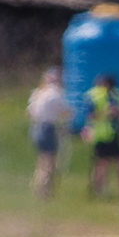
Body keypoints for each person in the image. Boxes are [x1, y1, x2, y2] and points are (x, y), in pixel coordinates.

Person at [83, 72, 119, 199]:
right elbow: (90, 116)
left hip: (116, 134)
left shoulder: (117, 95)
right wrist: (106, 113)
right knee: (102, 164)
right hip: (101, 135)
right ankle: (99, 192)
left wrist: (117, 112)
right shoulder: (94, 96)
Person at [26, 67, 71, 198]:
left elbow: (29, 112)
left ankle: (38, 187)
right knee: (49, 162)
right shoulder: (56, 93)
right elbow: (66, 111)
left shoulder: (38, 93)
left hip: (36, 127)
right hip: (48, 128)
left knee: (42, 160)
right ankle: (44, 191)